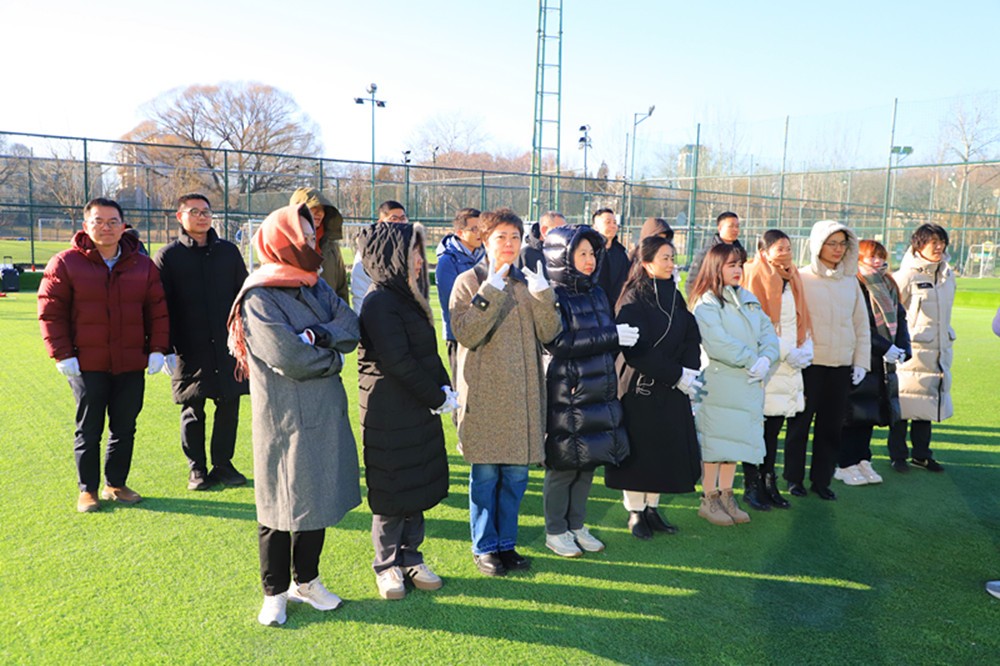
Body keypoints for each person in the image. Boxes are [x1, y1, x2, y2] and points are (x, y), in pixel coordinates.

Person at [227, 203, 361, 627]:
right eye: (301, 234)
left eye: (311, 234)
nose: (309, 241)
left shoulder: (315, 284)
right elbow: (288, 356)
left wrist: (318, 334)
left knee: (316, 497)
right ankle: (274, 592)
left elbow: (350, 325)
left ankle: (308, 580)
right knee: (278, 506)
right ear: (280, 239)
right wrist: (333, 358)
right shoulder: (259, 295)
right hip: (283, 417)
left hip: (325, 411)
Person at [449, 207, 562, 576]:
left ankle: (506, 544)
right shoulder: (469, 281)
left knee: (515, 478)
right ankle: (484, 547)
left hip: (523, 398)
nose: (510, 244)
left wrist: (544, 295)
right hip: (484, 398)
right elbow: (467, 332)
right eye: (501, 237)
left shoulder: (527, 282)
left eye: (515, 237)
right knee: (485, 478)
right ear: (485, 240)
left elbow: (550, 333)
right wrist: (491, 289)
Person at [38, 197, 169, 513]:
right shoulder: (65, 263)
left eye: (113, 222)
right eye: (98, 221)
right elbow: (51, 312)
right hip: (86, 363)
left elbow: (157, 311)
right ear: (86, 226)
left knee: (125, 427)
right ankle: (88, 490)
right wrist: (62, 354)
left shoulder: (142, 265)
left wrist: (157, 349)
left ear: (123, 227)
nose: (106, 227)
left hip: (130, 362)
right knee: (89, 428)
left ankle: (116, 484)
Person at [357, 222, 453, 599]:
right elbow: (397, 362)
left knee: (416, 483)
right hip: (389, 410)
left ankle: (411, 557)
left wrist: (445, 386)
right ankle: (386, 565)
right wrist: (436, 397)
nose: (419, 260)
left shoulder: (409, 296)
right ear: (390, 255)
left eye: (419, 251)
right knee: (392, 488)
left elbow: (427, 353)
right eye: (412, 251)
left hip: (416, 406)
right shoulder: (379, 302)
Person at [541, 225, 632, 557]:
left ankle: (577, 525)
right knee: (564, 465)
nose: (589, 259)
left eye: (592, 253)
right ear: (563, 257)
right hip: (568, 391)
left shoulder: (597, 293)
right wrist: (612, 336)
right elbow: (558, 343)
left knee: (588, 462)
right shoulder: (553, 295)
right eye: (581, 253)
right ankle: (555, 530)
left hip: (598, 388)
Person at [606, 235, 702, 539]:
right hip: (640, 388)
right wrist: (675, 374)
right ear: (647, 264)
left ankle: (652, 509)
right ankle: (636, 511)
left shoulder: (674, 295)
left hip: (671, 387)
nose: (672, 264)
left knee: (663, 450)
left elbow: (690, 334)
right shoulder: (633, 297)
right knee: (639, 453)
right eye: (665, 258)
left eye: (673, 258)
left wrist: (689, 370)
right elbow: (636, 350)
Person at [154, 194, 249, 491]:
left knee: (229, 404)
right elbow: (159, 305)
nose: (202, 217)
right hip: (188, 346)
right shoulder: (168, 256)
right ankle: (196, 468)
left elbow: (244, 295)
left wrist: (245, 337)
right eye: (194, 211)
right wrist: (166, 349)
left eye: (206, 211)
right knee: (192, 408)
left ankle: (223, 464)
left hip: (228, 344)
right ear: (180, 216)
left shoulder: (228, 252)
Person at [690, 244, 779, 525]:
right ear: (716, 267)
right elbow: (718, 342)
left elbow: (769, 334)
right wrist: (753, 360)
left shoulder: (749, 300)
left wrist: (766, 358)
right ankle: (709, 498)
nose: (738, 270)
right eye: (731, 265)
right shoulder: (706, 304)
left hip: (746, 385)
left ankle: (727, 495)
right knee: (715, 443)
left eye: (740, 264)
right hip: (719, 383)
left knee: (734, 443)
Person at [783, 221, 870, 500]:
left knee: (831, 427)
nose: (837, 249)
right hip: (810, 364)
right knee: (799, 425)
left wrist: (861, 362)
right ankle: (793, 478)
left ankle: (822, 480)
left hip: (841, 365)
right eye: (831, 243)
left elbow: (861, 324)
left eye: (843, 243)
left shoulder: (851, 282)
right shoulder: (801, 278)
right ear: (818, 245)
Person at [739, 230, 813, 510]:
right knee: (756, 429)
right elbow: (757, 323)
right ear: (764, 252)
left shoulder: (792, 276)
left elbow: (800, 317)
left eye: (788, 247)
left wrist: (805, 346)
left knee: (774, 428)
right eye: (779, 248)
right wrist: (785, 350)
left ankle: (769, 481)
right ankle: (752, 484)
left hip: (788, 365)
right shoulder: (754, 274)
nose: (786, 253)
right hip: (764, 363)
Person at [837, 240, 911, 486]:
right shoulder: (853, 282)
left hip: (882, 361)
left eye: (881, 256)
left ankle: (862, 459)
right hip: (858, 355)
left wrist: (903, 348)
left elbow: (900, 317)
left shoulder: (888, 283)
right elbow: (859, 323)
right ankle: (844, 463)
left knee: (871, 411)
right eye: (872, 256)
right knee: (852, 411)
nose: (877, 261)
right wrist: (885, 346)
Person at [888, 223, 956, 473]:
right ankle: (897, 455)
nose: (939, 247)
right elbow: (891, 312)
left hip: (938, 351)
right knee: (904, 403)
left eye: (942, 242)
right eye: (933, 242)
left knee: (928, 404)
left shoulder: (948, 275)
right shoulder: (906, 276)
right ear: (919, 245)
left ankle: (922, 455)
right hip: (911, 352)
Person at [435, 207, 484, 377]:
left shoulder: (486, 255)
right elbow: (453, 302)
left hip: (486, 332)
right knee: (463, 386)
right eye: (474, 229)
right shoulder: (447, 261)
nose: (480, 233)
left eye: (482, 228)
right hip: (458, 335)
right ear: (460, 233)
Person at [289, 187, 350, 306]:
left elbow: (341, 288)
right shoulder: (284, 245)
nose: (319, 212)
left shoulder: (331, 246)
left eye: (322, 209)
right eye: (313, 207)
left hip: (329, 314)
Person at [350, 200, 413, 313]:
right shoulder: (368, 250)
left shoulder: (411, 249)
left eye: (403, 218)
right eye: (393, 219)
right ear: (381, 222)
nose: (400, 223)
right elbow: (360, 292)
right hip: (376, 315)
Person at [685, 211, 745, 299]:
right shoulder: (708, 252)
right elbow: (692, 281)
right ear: (720, 228)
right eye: (731, 226)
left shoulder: (740, 252)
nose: (735, 229)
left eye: (737, 226)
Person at [592, 208, 630, 311]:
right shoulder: (591, 252)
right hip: (595, 307)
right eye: (608, 222)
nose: (613, 226)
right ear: (595, 227)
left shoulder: (620, 252)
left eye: (614, 222)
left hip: (618, 307)